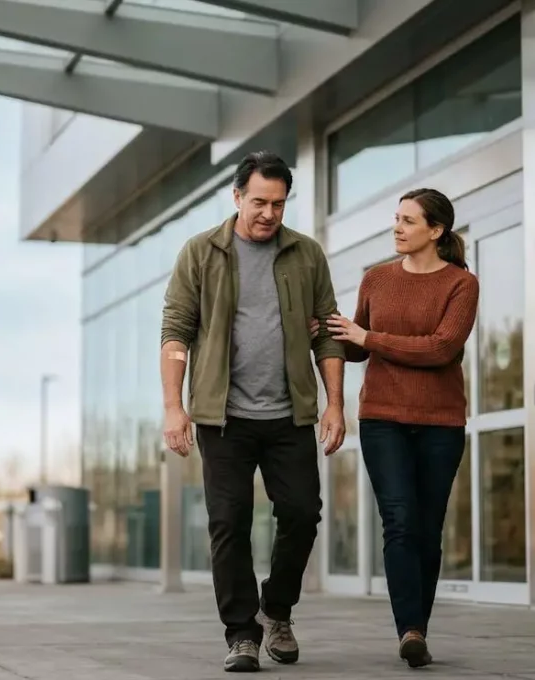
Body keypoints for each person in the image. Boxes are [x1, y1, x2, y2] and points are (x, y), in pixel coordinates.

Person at [160, 150, 346, 673]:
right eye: (259, 202)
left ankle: (277, 610)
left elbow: (328, 334)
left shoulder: (306, 255)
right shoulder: (201, 253)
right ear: (237, 196)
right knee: (229, 521)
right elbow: (175, 332)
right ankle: (241, 634)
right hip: (224, 418)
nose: (268, 213)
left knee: (303, 514)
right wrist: (174, 408)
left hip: (290, 415)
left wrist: (335, 404)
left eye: (279, 204)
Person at [323, 188, 478, 668]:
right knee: (400, 521)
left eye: (408, 221)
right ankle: (409, 630)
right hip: (383, 418)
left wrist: (369, 337)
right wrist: (332, 332)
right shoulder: (376, 279)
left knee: (428, 527)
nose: (397, 228)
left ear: (436, 231)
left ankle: (418, 627)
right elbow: (360, 347)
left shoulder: (461, 284)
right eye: (396, 218)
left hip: (440, 423)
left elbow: (440, 349)